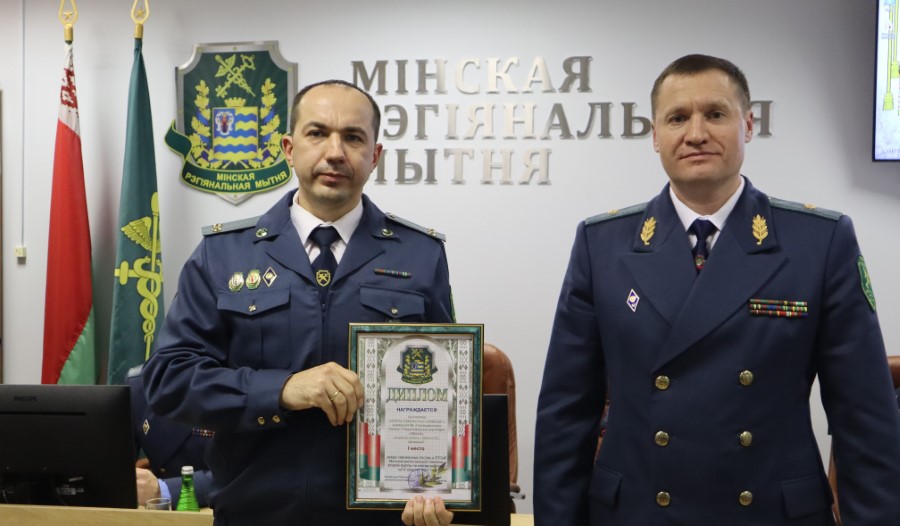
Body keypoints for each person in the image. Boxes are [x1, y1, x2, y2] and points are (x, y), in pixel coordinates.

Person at [534, 54, 900, 525]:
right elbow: (565, 414)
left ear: (747, 125)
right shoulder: (602, 245)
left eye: (715, 114)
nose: (696, 133)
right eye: (677, 118)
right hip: (639, 512)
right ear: (655, 135)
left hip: (768, 512)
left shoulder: (819, 242)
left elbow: (864, 418)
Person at [143, 80, 455, 526]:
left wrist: (432, 488)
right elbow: (168, 380)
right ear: (289, 148)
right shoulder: (223, 254)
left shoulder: (420, 256)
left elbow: (442, 392)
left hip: (379, 519)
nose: (335, 152)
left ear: (375, 156)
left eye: (353, 137)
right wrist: (282, 390)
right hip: (255, 515)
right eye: (317, 133)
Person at [127, 364, 213, 508]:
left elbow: (243, 475)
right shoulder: (138, 384)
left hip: (219, 509)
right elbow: (115, 468)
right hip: (159, 513)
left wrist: (163, 490)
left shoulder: (236, 382)